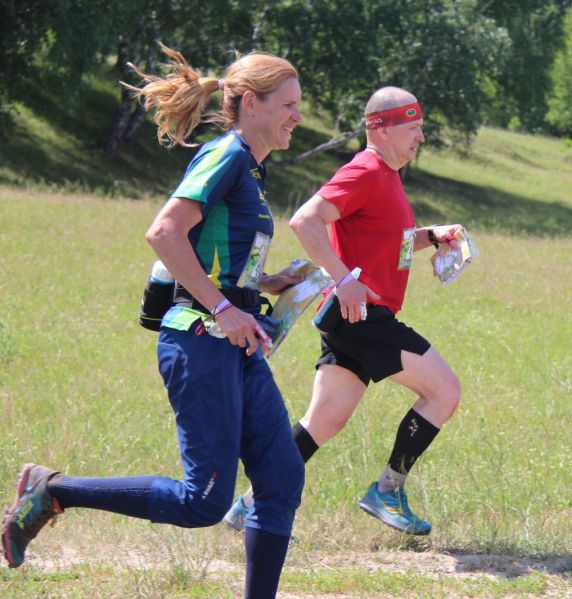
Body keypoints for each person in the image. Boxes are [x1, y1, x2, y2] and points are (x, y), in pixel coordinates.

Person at [2, 45, 306, 598]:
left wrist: (266, 284)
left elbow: (214, 258)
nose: (298, 116)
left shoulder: (251, 170)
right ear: (252, 104)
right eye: (288, 104)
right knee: (204, 503)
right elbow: (164, 233)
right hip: (200, 338)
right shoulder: (228, 156)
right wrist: (223, 308)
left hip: (236, 343)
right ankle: (53, 490)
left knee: (282, 477)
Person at [222, 86, 463, 536]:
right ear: (381, 128)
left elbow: (391, 241)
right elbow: (304, 220)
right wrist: (345, 279)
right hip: (364, 316)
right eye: (413, 129)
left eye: (421, 129)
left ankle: (249, 505)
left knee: (325, 420)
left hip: (348, 317)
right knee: (444, 392)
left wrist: (434, 234)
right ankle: (387, 492)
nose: (421, 138)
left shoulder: (387, 177)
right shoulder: (366, 170)